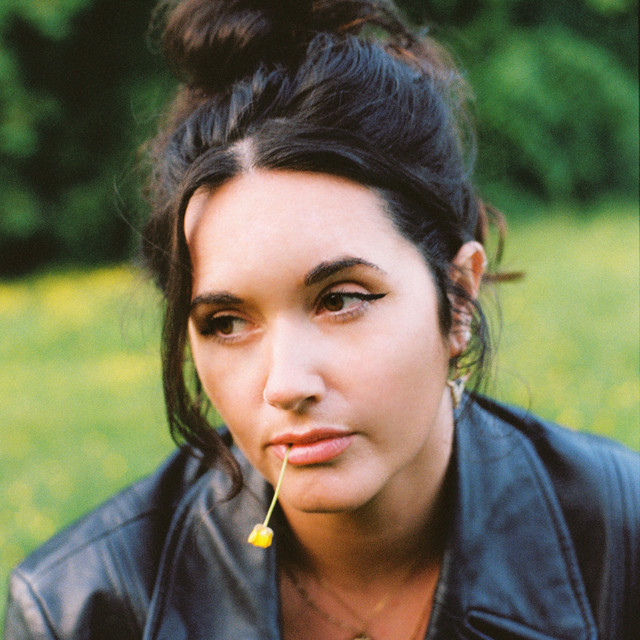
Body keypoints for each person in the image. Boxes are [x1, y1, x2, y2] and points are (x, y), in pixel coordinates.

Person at [4, 1, 639, 639]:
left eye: (340, 300)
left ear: (459, 298)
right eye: (226, 322)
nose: (286, 385)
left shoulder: (621, 541)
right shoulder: (83, 608)